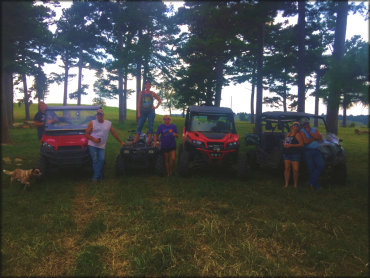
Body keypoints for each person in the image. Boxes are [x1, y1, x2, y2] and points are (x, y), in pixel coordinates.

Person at [85, 109, 125, 182]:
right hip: (92, 145)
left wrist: (121, 142)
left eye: (101, 114)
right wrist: (94, 139)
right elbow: (86, 134)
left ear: (103, 115)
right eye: (98, 114)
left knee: (102, 159)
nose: (99, 116)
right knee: (95, 160)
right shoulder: (92, 123)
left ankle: (96, 176)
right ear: (96, 116)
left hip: (101, 146)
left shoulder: (108, 124)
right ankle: (97, 178)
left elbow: (114, 134)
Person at [300, 121, 325, 189]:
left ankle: (310, 181)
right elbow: (306, 141)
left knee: (321, 165)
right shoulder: (302, 131)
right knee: (311, 168)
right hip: (308, 151)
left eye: (307, 123)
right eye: (305, 124)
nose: (307, 125)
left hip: (316, 150)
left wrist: (309, 133)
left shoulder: (314, 129)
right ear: (303, 125)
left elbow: (320, 139)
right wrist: (315, 137)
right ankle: (316, 185)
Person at [283, 121, 304, 188]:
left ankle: (295, 184)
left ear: (298, 128)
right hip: (287, 153)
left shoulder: (298, 135)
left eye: (297, 126)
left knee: (295, 170)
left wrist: (291, 145)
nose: (295, 127)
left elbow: (301, 144)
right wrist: (284, 144)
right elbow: (285, 141)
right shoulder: (288, 134)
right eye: (294, 125)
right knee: (287, 168)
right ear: (292, 127)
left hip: (295, 154)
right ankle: (286, 184)